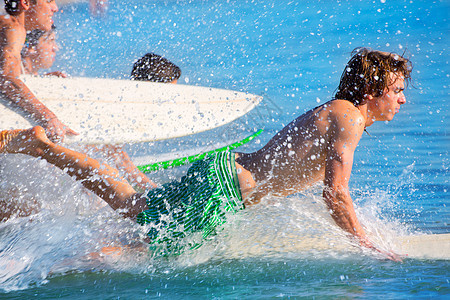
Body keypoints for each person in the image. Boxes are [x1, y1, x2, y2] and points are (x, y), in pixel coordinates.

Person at [0, 48, 411, 260]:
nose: (403, 100)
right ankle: (60, 268)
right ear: (373, 91)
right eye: (397, 91)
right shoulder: (349, 117)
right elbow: (335, 193)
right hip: (223, 190)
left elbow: (307, 180)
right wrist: (368, 245)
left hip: (223, 179)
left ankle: (42, 147)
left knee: (134, 207)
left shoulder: (342, 113)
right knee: (142, 247)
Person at [0, 0, 77, 142]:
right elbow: (6, 79)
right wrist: (48, 117)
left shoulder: (10, 27)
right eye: (49, 1)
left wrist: (38, 80)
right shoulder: (13, 27)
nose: (55, 8)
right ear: (25, 3)